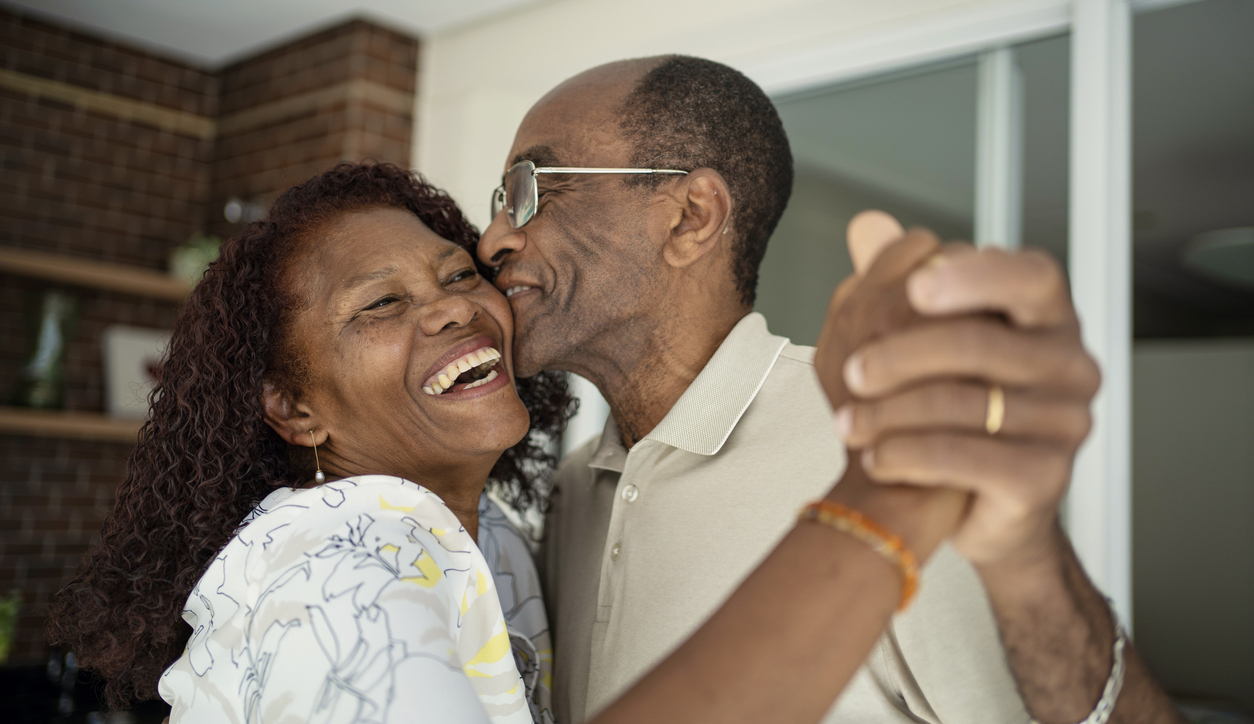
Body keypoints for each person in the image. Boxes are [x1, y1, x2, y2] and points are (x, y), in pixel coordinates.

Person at [49, 162, 985, 724]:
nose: (457, 304)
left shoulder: (496, 529)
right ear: (295, 411)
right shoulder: (348, 557)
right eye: (382, 304)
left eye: (458, 274)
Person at [476, 55, 1185, 724]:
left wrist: (1028, 558)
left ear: (691, 216)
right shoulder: (574, 492)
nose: (493, 240)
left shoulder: (878, 447)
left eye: (529, 189)